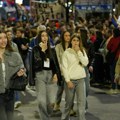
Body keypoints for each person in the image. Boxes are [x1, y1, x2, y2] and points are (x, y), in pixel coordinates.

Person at [31, 30, 59, 120]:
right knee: (41, 101)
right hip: (40, 75)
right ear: (39, 38)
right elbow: (36, 64)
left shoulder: (52, 49)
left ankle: (47, 115)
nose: (44, 37)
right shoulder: (35, 49)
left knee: (51, 102)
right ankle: (45, 118)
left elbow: (55, 63)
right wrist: (42, 51)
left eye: (46, 35)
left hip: (51, 75)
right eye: (42, 36)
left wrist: (55, 74)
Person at [61, 33, 89, 120]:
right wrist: (68, 81)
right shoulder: (66, 52)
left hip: (81, 80)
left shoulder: (82, 51)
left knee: (81, 104)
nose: (76, 42)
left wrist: (78, 52)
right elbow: (64, 68)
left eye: (77, 40)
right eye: (74, 40)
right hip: (70, 81)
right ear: (71, 41)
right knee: (68, 104)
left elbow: (85, 63)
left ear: (79, 42)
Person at [0, 31, 25, 120]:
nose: (3, 40)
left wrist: (21, 72)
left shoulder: (14, 55)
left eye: (5, 38)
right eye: (0, 38)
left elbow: (22, 68)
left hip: (10, 93)